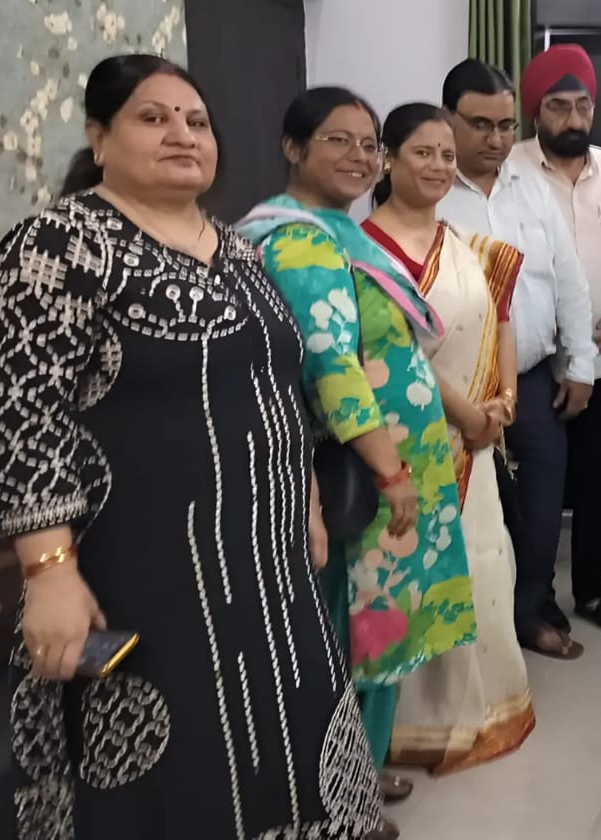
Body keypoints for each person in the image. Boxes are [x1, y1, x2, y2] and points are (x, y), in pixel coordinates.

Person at [0, 55, 380, 839]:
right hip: (146, 571)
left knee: (293, 747)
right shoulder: (57, 247)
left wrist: (305, 495)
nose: (182, 135)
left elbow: (277, 382)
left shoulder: (237, 251)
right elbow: (26, 418)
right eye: (153, 118)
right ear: (99, 137)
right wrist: (49, 573)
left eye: (196, 122)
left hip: (271, 564)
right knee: (179, 771)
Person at [236, 87, 475, 839]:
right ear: (293, 148)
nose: (360, 156)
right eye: (339, 140)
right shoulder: (298, 240)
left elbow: (389, 346)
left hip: (396, 459)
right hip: (363, 472)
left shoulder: (342, 232)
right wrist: (391, 473)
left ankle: (360, 771)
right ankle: (340, 796)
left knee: (381, 626)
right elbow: (332, 368)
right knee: (354, 629)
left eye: (369, 143)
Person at [359, 102, 536, 774]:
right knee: (406, 585)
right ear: (388, 160)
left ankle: (482, 710)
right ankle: (403, 729)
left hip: (477, 442)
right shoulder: (363, 252)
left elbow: (501, 320)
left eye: (445, 155)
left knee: (480, 568)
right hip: (399, 450)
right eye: (422, 152)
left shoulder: (466, 247)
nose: (437, 165)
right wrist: (465, 413)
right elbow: (390, 354)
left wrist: (504, 403)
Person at [436, 59, 598, 660]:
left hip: (527, 381)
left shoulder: (531, 188)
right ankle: (471, 624)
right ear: (448, 118)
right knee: (465, 509)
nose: (496, 139)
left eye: (506, 125)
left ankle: (528, 610)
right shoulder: (425, 191)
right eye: (480, 124)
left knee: (541, 505)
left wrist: (580, 365)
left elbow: (569, 282)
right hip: (448, 388)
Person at [508, 45, 601, 635]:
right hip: (535, 362)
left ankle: (590, 589)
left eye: (582, 105)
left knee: (594, 482)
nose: (573, 118)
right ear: (536, 111)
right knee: (537, 487)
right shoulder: (510, 171)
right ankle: (533, 597)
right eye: (558, 106)